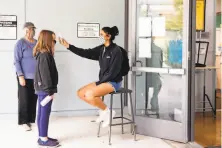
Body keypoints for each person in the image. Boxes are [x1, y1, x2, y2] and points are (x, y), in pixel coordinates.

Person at [59, 26, 122, 128]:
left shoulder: (116, 51)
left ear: (108, 36)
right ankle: (103, 111)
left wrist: (99, 83)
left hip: (113, 82)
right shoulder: (102, 49)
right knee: (80, 93)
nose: (100, 36)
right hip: (103, 81)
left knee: (90, 94)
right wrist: (68, 46)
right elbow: (85, 52)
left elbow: (113, 72)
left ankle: (108, 112)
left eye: (102, 34)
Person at [33, 30, 59, 147]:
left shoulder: (43, 54)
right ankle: (43, 139)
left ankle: (42, 136)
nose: (54, 42)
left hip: (42, 88)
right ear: (48, 40)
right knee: (44, 113)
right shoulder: (44, 55)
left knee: (41, 112)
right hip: (45, 89)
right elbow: (45, 74)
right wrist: (50, 90)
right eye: (53, 40)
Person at [14, 22, 38, 131]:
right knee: (24, 99)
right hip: (24, 76)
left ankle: (31, 119)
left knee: (33, 98)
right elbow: (16, 61)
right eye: (27, 31)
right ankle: (24, 121)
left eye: (31, 30)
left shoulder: (37, 43)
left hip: (36, 76)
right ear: (24, 31)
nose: (29, 33)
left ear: (34, 31)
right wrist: (20, 76)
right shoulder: (20, 43)